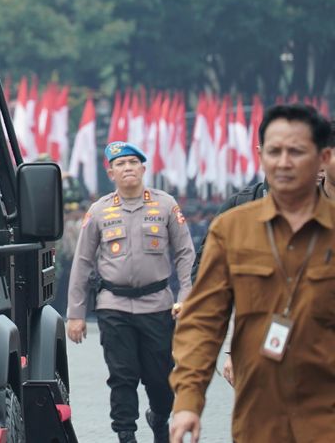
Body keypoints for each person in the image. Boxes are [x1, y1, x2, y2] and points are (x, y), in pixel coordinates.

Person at [170, 105, 335, 443]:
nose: (284, 162)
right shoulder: (233, 229)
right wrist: (188, 402)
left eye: (297, 151)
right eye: (275, 151)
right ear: (261, 156)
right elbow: (203, 322)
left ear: (322, 158)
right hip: (260, 416)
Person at [66, 141, 195, 443]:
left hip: (157, 305)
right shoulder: (99, 211)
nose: (128, 169)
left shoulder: (165, 205)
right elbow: (82, 262)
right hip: (114, 306)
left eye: (133, 163)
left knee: (161, 379)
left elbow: (185, 254)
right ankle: (126, 434)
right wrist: (75, 315)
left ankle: (159, 418)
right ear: (110, 172)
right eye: (120, 164)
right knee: (122, 377)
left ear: (143, 168)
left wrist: (186, 298)